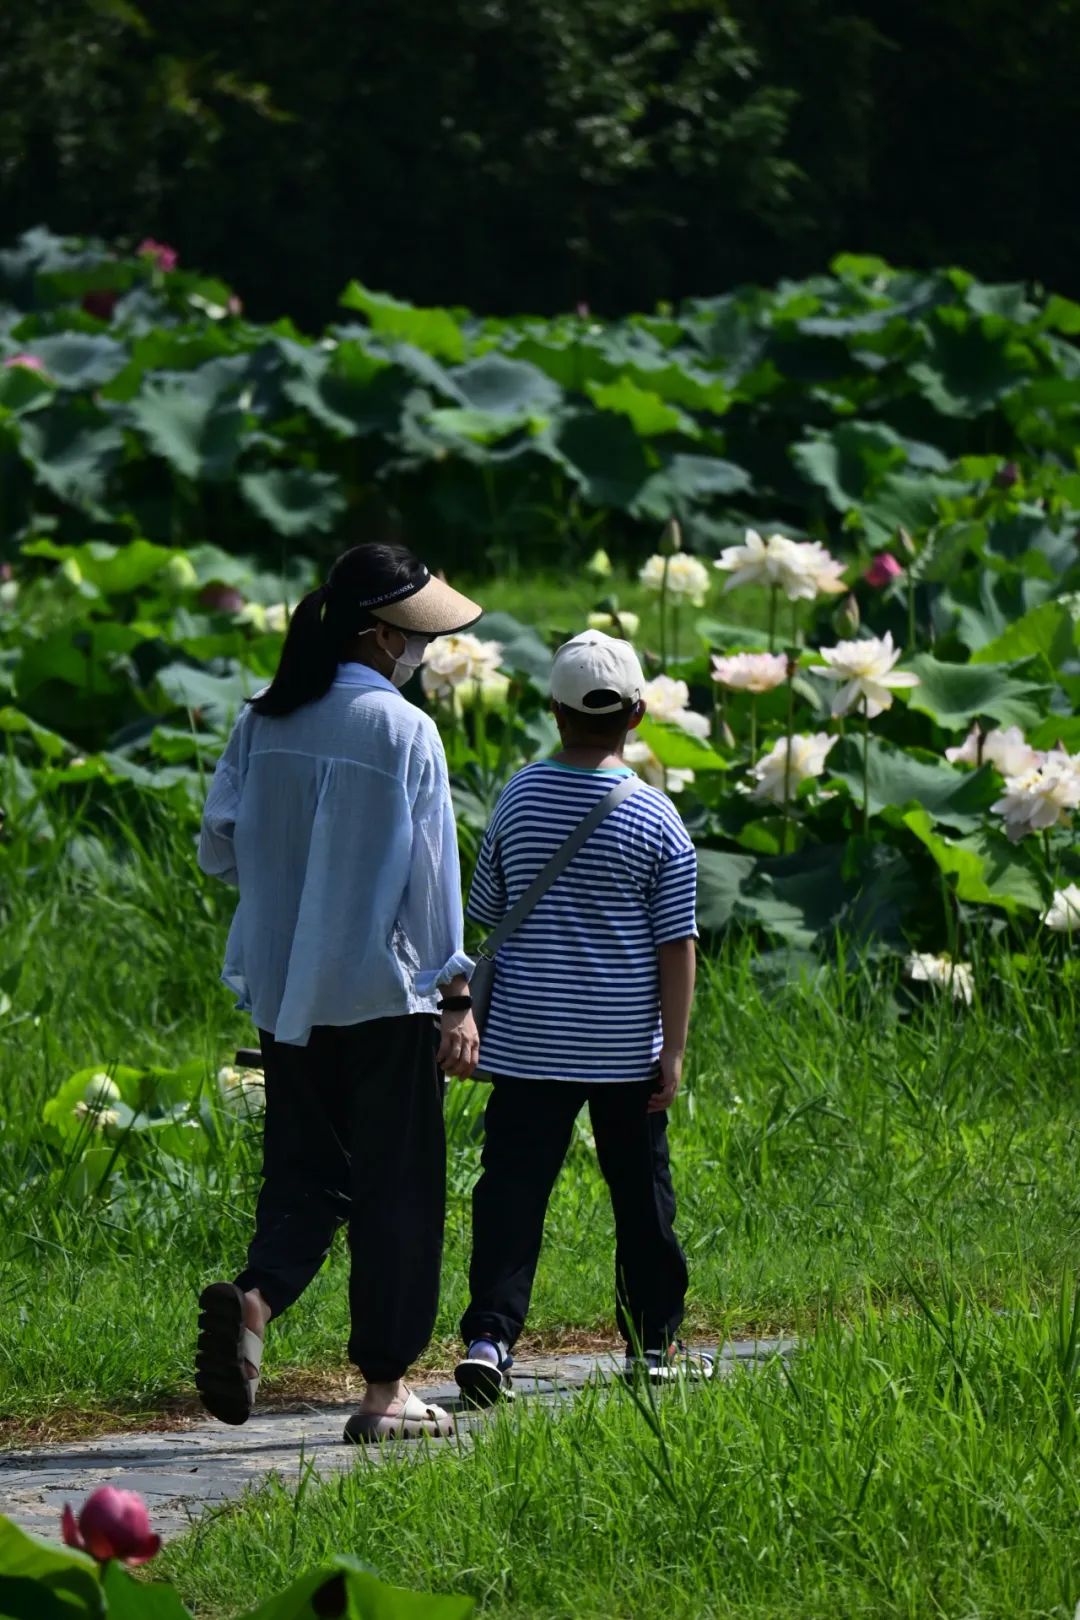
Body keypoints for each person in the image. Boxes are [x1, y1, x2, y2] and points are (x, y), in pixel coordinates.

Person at [196, 542, 482, 1443]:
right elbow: (432, 883)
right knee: (398, 1189)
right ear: (378, 636)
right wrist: (457, 996)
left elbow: (218, 843)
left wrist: (291, 880)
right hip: (383, 995)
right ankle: (385, 1391)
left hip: (286, 990)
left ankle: (255, 1300)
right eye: (413, 636)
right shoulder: (403, 730)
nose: (421, 651)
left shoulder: (264, 717)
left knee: (304, 1171)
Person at [454, 630, 710, 1407]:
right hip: (624, 1049)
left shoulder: (519, 796)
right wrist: (673, 1048)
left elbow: (487, 908)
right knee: (642, 1197)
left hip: (528, 1042)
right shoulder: (658, 815)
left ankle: (490, 1340)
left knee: (511, 1192)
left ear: (554, 712)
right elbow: (677, 944)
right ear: (637, 715)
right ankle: (655, 1344)